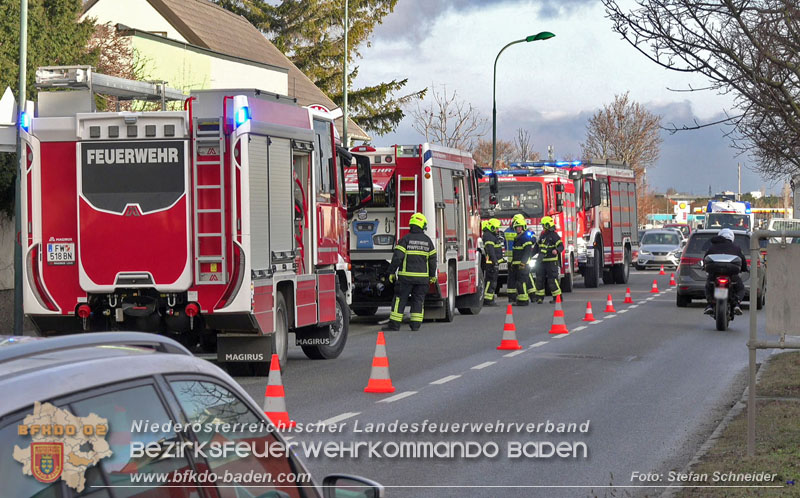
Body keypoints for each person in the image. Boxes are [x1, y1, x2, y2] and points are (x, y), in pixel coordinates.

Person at [386, 213, 437, 330]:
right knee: (418, 301)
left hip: (405, 278)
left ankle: (394, 325)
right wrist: (432, 276)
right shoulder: (428, 241)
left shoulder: (405, 239)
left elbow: (398, 257)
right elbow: (433, 260)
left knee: (400, 300)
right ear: (423, 225)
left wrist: (391, 272)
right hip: (422, 279)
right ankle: (415, 325)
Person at [703, 228, 747, 316]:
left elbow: (705, 259)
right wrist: (744, 268)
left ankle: (710, 304)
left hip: (715, 274)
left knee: (708, 286)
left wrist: (704, 267)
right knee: (740, 288)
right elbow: (743, 261)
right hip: (731, 274)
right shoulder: (736, 248)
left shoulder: (713, 246)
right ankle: (737, 304)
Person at [533, 216, 564, 304]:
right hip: (541, 262)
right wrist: (529, 256)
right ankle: (539, 297)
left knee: (552, 280)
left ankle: (557, 298)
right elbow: (537, 247)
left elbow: (561, 246)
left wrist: (557, 250)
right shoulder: (542, 235)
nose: (542, 227)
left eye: (543, 225)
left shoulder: (554, 235)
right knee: (539, 279)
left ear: (547, 225)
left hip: (551, 261)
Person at [508, 215, 536, 306]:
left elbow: (527, 252)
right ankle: (521, 299)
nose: (518, 229)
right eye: (517, 227)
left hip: (523, 265)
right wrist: (513, 263)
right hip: (517, 264)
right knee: (519, 282)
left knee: (521, 282)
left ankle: (524, 300)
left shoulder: (524, 237)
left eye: (520, 227)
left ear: (523, 227)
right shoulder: (518, 237)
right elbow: (515, 253)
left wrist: (523, 263)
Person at [482, 218, 502, 306]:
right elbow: (490, 250)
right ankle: (488, 299)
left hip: (492, 262)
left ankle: (489, 298)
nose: (498, 230)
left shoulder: (490, 235)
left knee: (492, 281)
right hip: (491, 263)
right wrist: (495, 261)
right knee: (491, 281)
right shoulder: (489, 236)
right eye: (496, 228)